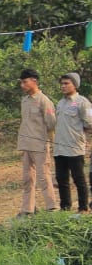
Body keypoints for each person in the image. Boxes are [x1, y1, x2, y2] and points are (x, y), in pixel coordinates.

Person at [17, 68, 58, 215]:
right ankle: (27, 209)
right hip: (26, 144)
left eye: (25, 82)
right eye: (21, 82)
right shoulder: (25, 101)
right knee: (27, 178)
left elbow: (51, 123)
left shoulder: (44, 101)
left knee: (44, 176)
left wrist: (50, 141)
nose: (23, 85)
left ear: (34, 81)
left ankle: (51, 207)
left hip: (40, 145)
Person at [53, 72, 92, 213]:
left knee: (79, 180)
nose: (63, 86)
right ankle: (65, 208)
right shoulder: (60, 103)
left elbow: (90, 123)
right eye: (62, 83)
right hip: (59, 149)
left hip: (74, 148)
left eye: (66, 83)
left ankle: (83, 208)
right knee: (62, 180)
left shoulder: (83, 102)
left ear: (75, 85)